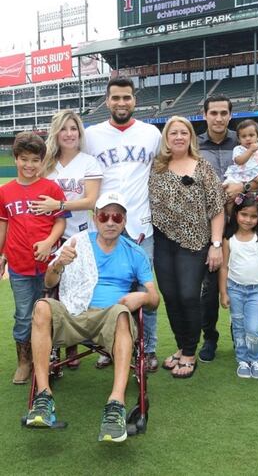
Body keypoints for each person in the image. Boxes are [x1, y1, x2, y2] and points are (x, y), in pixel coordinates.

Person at [24, 191, 159, 443]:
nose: (110, 222)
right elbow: (49, 282)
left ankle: (115, 405)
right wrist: (58, 265)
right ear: (95, 218)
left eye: (116, 216)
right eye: (105, 215)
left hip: (109, 319)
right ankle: (43, 397)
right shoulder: (77, 243)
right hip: (74, 312)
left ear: (124, 220)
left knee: (120, 313)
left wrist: (141, 298)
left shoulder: (135, 252)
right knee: (42, 305)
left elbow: (154, 298)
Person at [85, 77, 161, 372]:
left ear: (134, 101)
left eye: (126, 97)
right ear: (107, 101)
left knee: (145, 289)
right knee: (107, 287)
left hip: (141, 223)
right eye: (115, 98)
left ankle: (148, 349)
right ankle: (108, 346)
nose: (121, 103)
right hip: (104, 223)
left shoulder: (151, 133)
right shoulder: (91, 135)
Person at [149, 116, 225, 378]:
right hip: (162, 240)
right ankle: (182, 347)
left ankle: (191, 352)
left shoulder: (203, 167)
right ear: (166, 138)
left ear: (191, 136)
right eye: (173, 133)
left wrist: (216, 245)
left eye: (184, 132)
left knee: (189, 296)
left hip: (194, 243)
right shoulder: (157, 167)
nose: (179, 137)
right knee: (170, 296)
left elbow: (217, 210)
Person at [31, 109, 103, 368]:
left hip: (81, 234)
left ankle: (76, 344)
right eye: (64, 129)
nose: (69, 134)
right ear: (56, 132)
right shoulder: (46, 163)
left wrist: (58, 203)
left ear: (79, 133)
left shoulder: (89, 161)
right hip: (50, 234)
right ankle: (53, 349)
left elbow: (91, 200)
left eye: (74, 129)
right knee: (52, 289)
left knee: (80, 289)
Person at [0, 132, 67, 384]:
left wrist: (50, 243)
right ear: (15, 159)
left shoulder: (50, 188)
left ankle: (51, 358)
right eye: (24, 159)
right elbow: (3, 227)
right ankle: (24, 361)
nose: (29, 165)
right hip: (19, 266)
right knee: (23, 315)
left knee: (52, 312)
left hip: (49, 266)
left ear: (42, 161)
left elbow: (60, 222)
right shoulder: (5, 192)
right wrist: (2, 255)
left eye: (35, 160)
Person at [197, 95, 258, 362]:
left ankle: (240, 335)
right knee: (208, 289)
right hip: (205, 225)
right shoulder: (194, 144)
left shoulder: (245, 140)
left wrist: (242, 188)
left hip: (240, 224)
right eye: (214, 113)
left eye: (224, 113)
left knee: (241, 282)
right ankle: (209, 336)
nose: (219, 118)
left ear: (230, 115)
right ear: (205, 114)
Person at [219, 193, 258, 379]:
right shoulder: (229, 239)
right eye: (244, 214)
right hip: (235, 289)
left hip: (256, 291)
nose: (248, 219)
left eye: (253, 216)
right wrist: (223, 292)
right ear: (236, 214)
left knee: (253, 328)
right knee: (238, 326)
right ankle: (242, 359)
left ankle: (255, 359)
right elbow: (224, 267)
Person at [223, 119, 258, 213]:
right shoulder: (238, 149)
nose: (248, 138)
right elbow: (239, 161)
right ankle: (229, 217)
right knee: (227, 194)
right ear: (239, 139)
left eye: (251, 135)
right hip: (237, 177)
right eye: (244, 136)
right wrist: (250, 150)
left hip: (254, 178)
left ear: (257, 137)